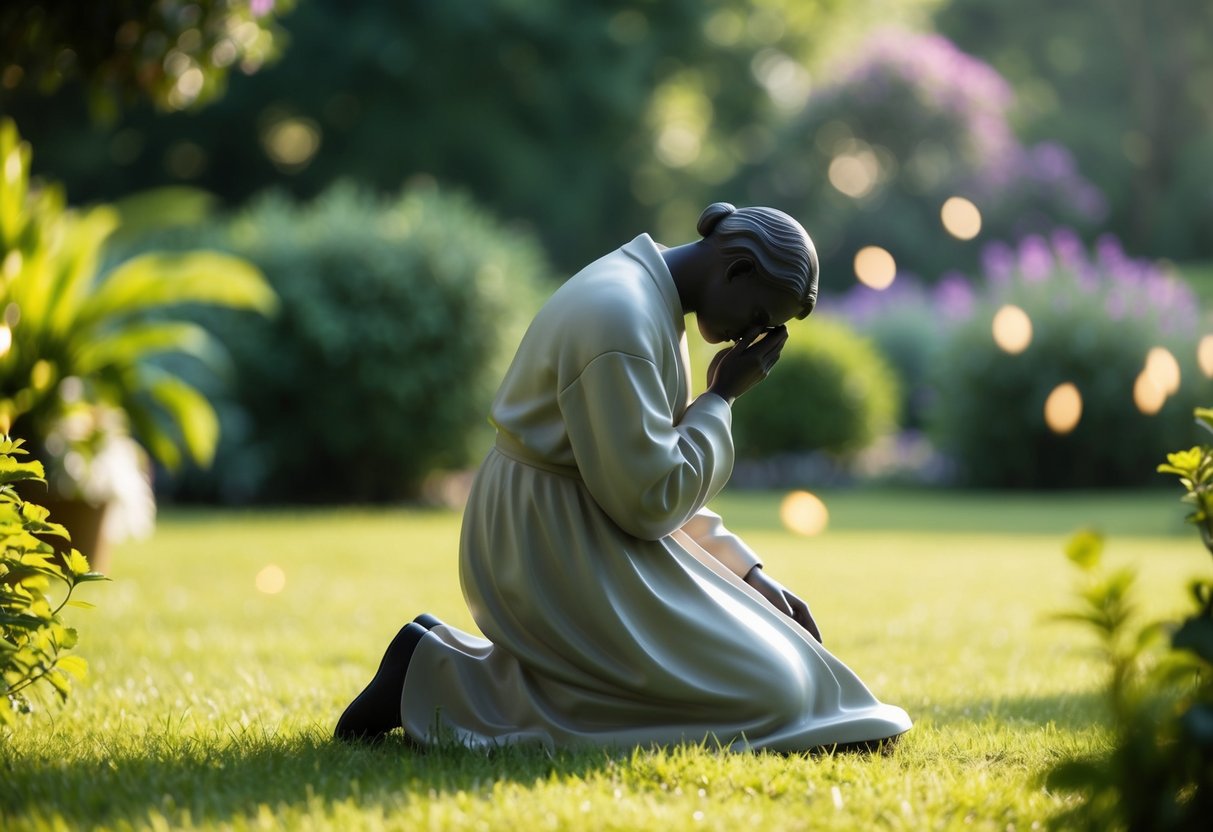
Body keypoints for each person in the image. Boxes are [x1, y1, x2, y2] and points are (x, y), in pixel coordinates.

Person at [336, 202, 912, 752]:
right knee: (774, 694)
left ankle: (438, 669)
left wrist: (746, 574)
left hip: (593, 523)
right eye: (758, 319)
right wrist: (720, 399)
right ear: (736, 270)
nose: (749, 341)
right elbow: (650, 498)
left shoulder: (651, 300)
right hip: (549, 540)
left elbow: (646, 465)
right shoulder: (622, 316)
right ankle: (436, 677)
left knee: (792, 669)